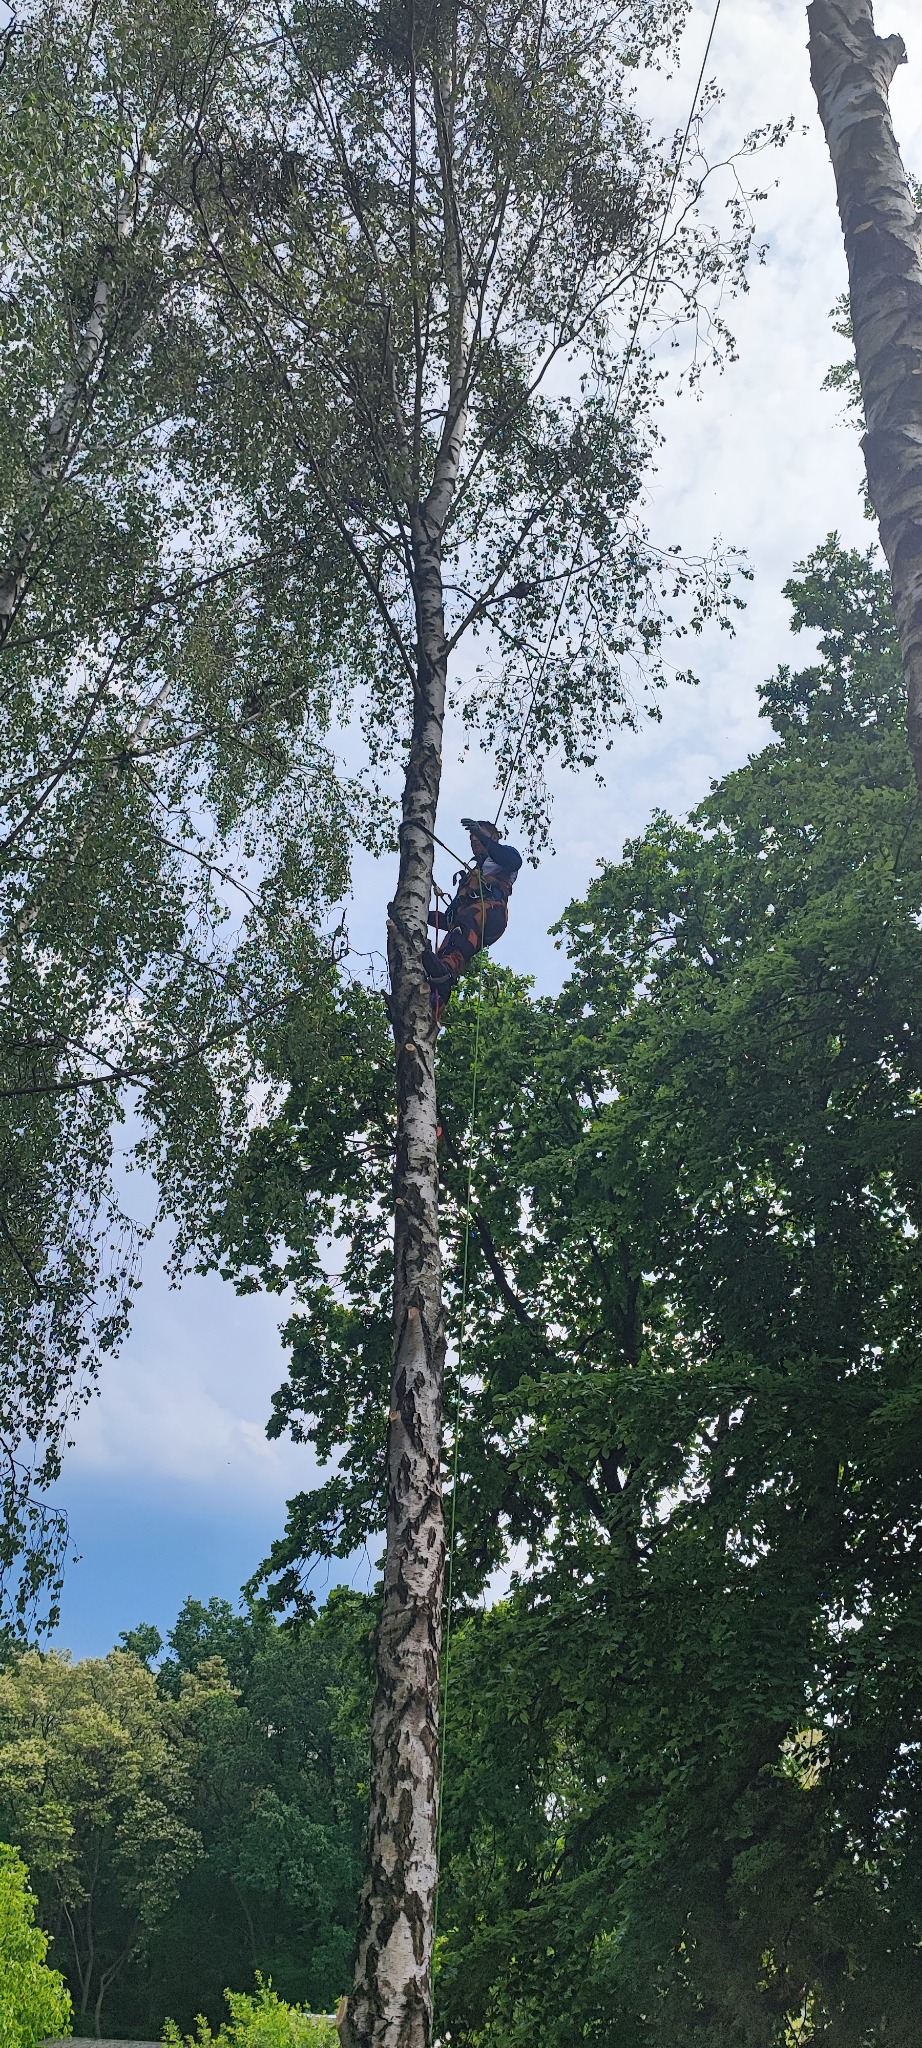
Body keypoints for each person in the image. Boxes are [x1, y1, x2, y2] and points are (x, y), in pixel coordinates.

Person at [423, 817, 522, 1019]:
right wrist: (422, 915)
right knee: (452, 939)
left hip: (491, 913)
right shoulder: (469, 878)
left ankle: (446, 971)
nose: (474, 840)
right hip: (470, 921)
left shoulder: (502, 856)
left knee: (466, 924)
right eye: (471, 838)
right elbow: (450, 920)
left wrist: (485, 839)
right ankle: (436, 996)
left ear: (494, 836)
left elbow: (514, 861)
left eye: (479, 835)